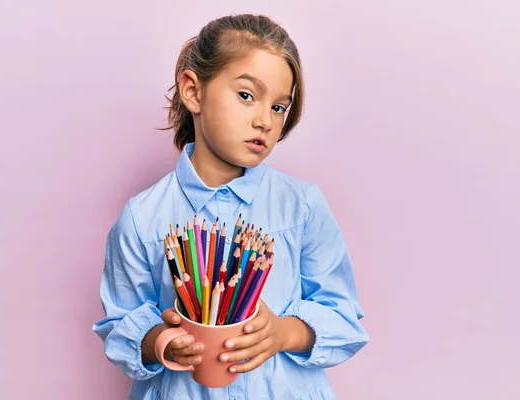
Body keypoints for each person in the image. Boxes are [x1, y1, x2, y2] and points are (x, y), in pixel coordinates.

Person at [92, 13, 369, 400]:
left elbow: (341, 314)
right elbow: (120, 325)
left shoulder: (301, 206)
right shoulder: (142, 218)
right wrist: (162, 341)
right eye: (246, 95)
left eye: (279, 107)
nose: (264, 121)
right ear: (193, 92)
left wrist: (282, 333)